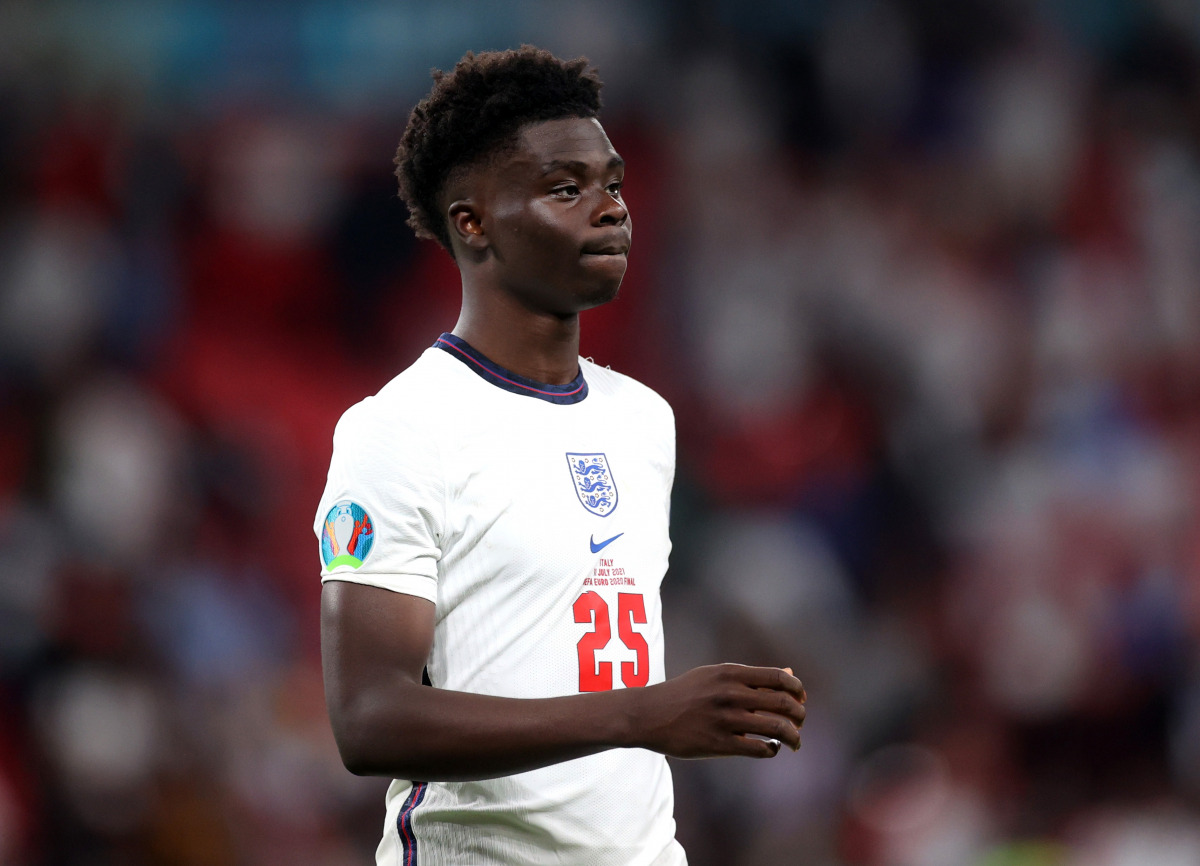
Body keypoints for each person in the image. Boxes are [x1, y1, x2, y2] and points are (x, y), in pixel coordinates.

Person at [315, 46, 807, 866]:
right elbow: (369, 720)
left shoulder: (643, 420)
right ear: (472, 222)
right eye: (565, 188)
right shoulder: (397, 429)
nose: (611, 208)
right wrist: (640, 716)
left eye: (612, 183)